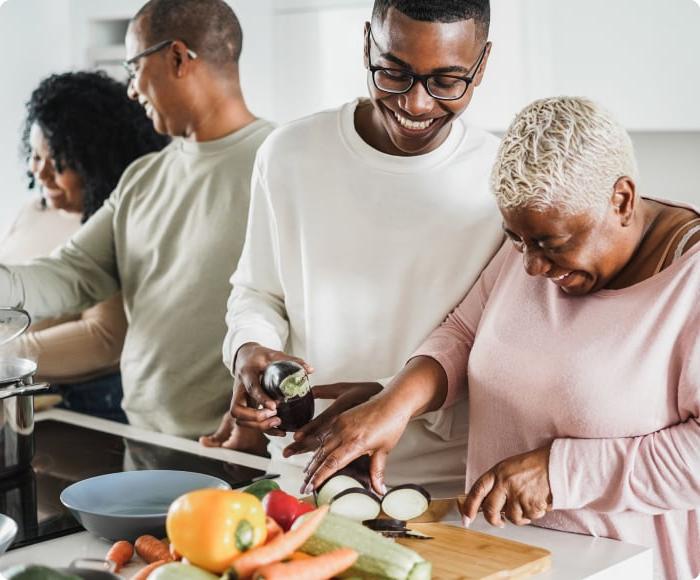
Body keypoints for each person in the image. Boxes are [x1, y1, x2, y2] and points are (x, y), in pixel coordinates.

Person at [299, 97, 700, 580]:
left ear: (621, 200)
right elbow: (464, 333)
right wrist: (395, 402)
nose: (531, 267)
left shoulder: (689, 285)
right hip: (497, 557)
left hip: (623, 568)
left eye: (551, 245)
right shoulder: (536, 237)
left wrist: (559, 474)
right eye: (517, 240)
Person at [206, 0, 503, 494]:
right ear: (367, 44)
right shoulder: (290, 153)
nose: (417, 104)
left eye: (447, 81)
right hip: (307, 470)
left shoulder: (501, 178)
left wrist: (394, 396)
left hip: (446, 485)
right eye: (393, 73)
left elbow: (502, 347)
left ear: (482, 64)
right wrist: (247, 348)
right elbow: (258, 291)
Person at [0, 0, 274, 437]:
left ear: (178, 58)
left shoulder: (277, 163)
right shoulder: (143, 178)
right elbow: (71, 274)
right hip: (140, 436)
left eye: (134, 68)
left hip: (236, 446)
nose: (131, 90)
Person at [0, 71, 169, 422]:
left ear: (94, 161)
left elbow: (103, 336)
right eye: (35, 156)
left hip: (83, 401)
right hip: (25, 387)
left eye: (59, 162)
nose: (41, 173)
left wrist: (10, 354)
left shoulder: (114, 226)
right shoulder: (32, 212)